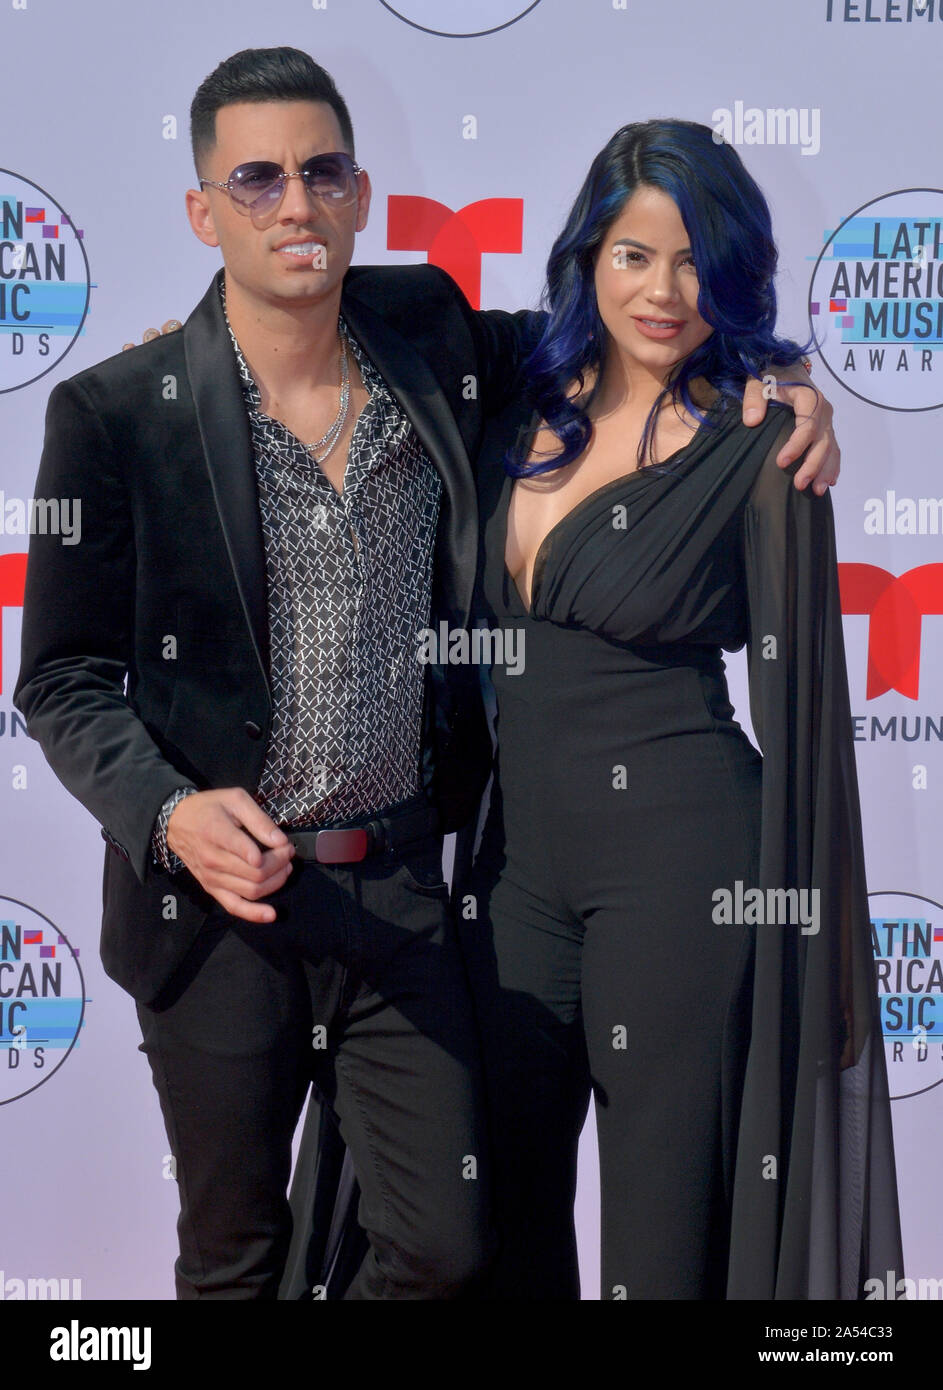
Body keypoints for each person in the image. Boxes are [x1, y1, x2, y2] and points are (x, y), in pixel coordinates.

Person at [13, 44, 838, 1300]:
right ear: (202, 210)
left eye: (322, 171)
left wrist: (783, 377)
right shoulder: (118, 410)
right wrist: (171, 812)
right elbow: (60, 677)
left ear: (358, 191)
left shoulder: (435, 336)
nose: (295, 202)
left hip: (405, 894)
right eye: (257, 178)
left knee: (451, 1246)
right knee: (233, 1260)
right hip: (223, 914)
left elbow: (632, 341)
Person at [458, 119, 902, 1300]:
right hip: (509, 870)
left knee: (662, 1242)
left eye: (696, 260)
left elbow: (804, 702)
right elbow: (355, 327)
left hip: (685, 865)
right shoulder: (510, 397)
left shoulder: (760, 441)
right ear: (586, 256)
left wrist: (828, 944)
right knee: (486, 1217)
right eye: (634, 255)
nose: (664, 291)